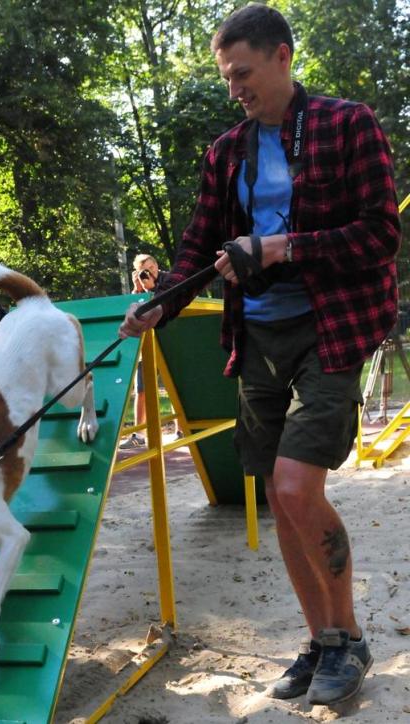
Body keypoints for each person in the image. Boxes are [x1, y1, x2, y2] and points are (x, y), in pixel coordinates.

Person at [119, 3, 400, 707]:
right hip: (257, 338)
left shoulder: (348, 123)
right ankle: (323, 642)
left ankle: (352, 636)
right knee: (279, 496)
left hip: (331, 328)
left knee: (300, 487)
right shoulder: (227, 151)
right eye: (226, 77)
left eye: (243, 73)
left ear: (282, 56)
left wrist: (281, 248)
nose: (234, 87)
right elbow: (198, 246)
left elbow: (378, 238)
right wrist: (163, 304)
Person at [120, 254, 171, 449]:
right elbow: (132, 311)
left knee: (176, 383)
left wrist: (152, 289)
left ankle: (181, 428)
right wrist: (137, 290)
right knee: (141, 389)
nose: (148, 273)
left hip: (168, 341)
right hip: (146, 344)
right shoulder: (139, 288)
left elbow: (170, 302)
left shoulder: (169, 280)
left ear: (156, 266)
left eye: (150, 268)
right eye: (143, 271)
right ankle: (138, 433)